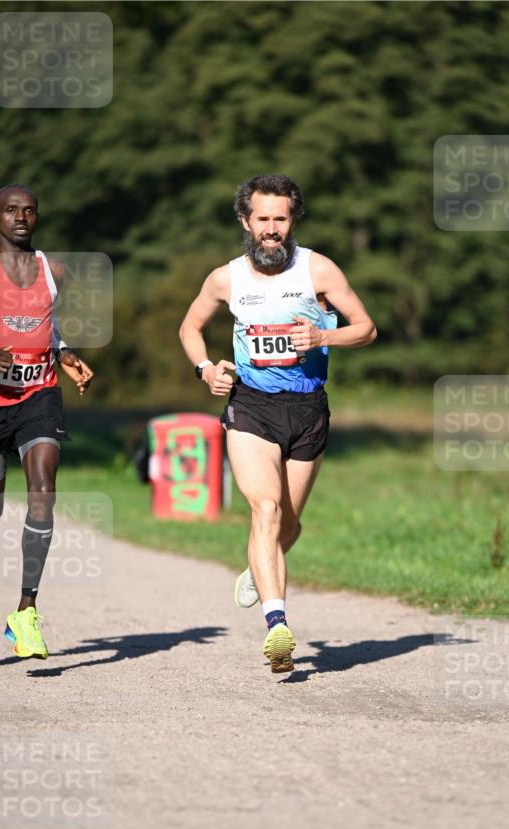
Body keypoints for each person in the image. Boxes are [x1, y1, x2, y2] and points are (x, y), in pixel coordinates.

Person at [179, 174, 376, 673]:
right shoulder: (226, 278)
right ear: (246, 221)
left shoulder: (320, 270)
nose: (272, 229)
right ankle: (277, 625)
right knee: (264, 508)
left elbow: (367, 328)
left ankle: (257, 568)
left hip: (308, 410)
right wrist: (206, 369)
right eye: (263, 219)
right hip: (251, 407)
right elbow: (190, 327)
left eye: (281, 219)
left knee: (288, 523)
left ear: (293, 221)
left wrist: (322, 338)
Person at [0, 184, 94, 659]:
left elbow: (45, 321)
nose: (21, 217)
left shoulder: (51, 270)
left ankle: (25, 611)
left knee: (43, 489)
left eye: (29, 211)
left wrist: (66, 353)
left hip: (39, 394)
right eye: (11, 210)